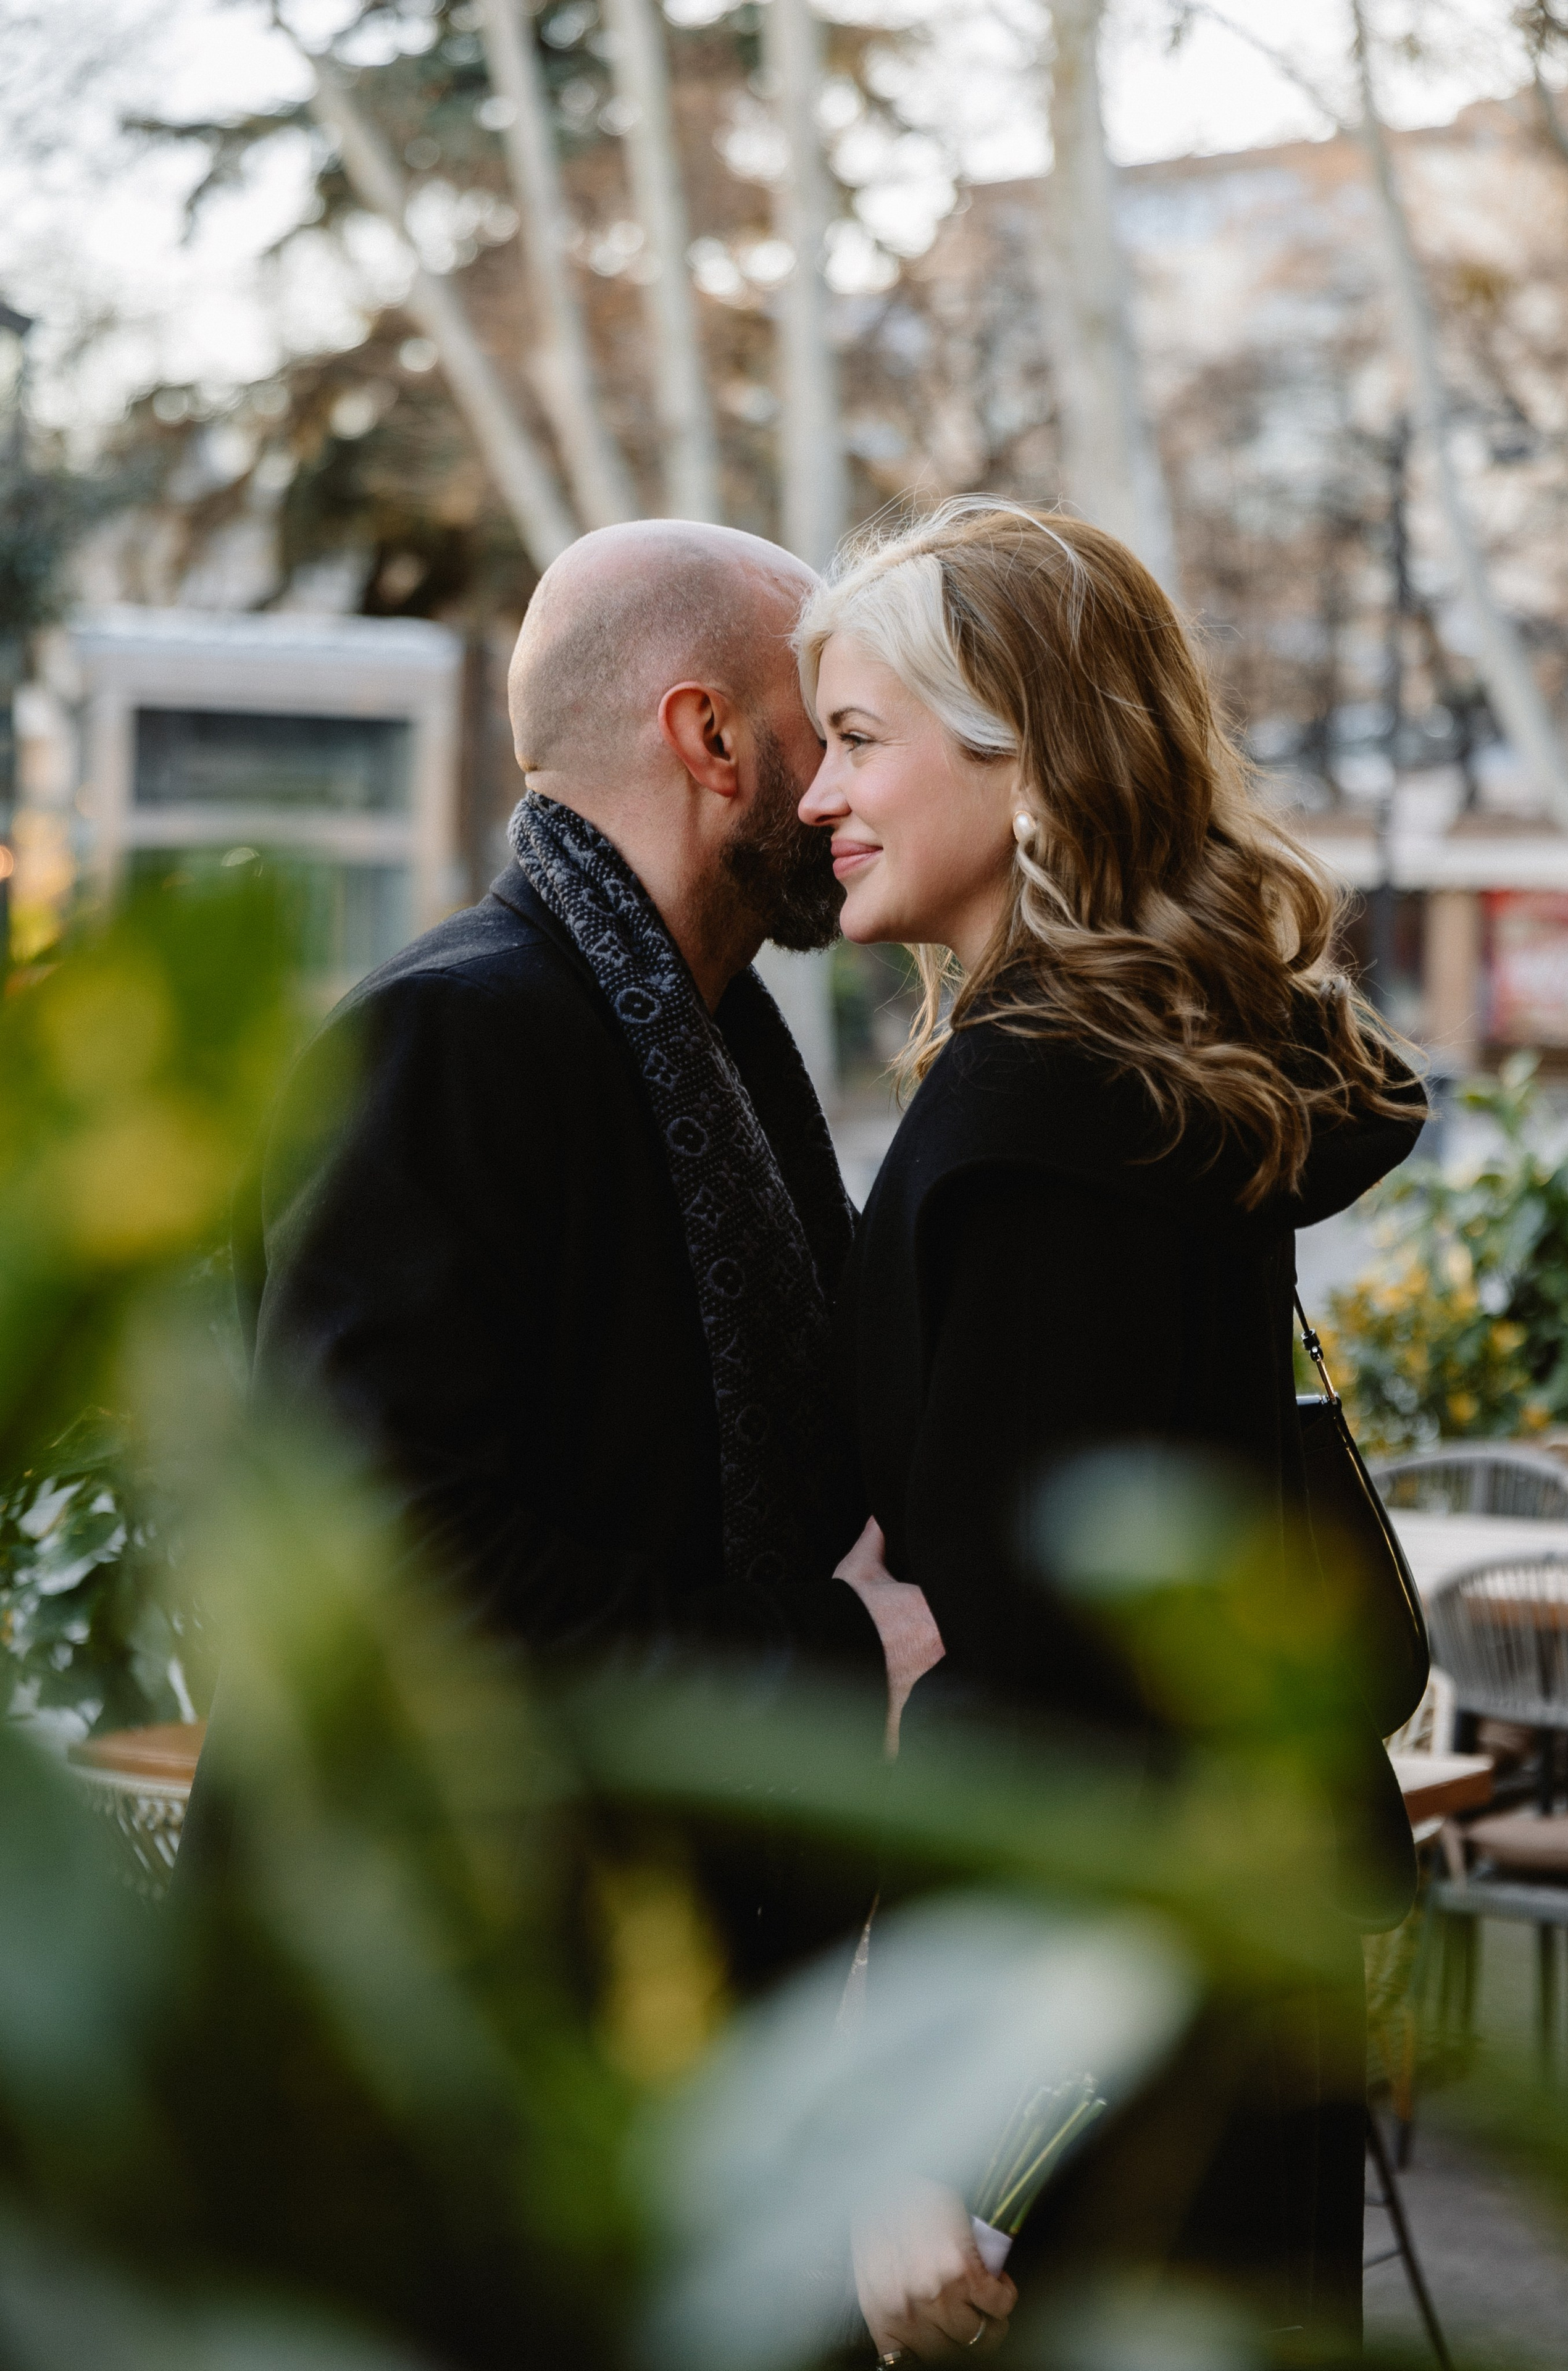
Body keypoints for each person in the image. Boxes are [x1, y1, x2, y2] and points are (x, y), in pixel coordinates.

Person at [794, 498, 1427, 2359]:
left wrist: (913, 2132)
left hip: (1085, 2029)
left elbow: (1028, 1674)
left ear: (1034, 761)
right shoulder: (1162, 1084)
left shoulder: (1040, 1114)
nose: (821, 797)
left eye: (858, 740)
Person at [217, 518, 935, 1980]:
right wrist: (829, 1653)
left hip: (634, 1958)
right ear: (712, 737)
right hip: (430, 2005)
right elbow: (379, 1581)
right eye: (837, 729)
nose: (851, 787)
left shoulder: (712, 1045)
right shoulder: (449, 1038)